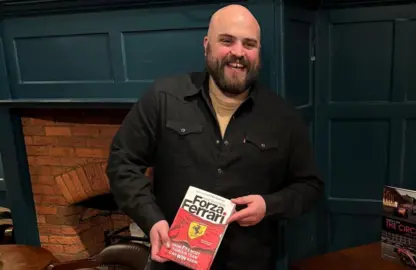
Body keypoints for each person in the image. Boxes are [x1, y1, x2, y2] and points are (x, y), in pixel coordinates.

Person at [106, 4, 324, 270]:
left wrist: (269, 205)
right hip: (175, 261)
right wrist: (152, 220)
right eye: (227, 40)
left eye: (249, 44)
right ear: (207, 44)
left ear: (258, 52)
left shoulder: (283, 116)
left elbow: (310, 186)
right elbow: (122, 162)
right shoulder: (163, 98)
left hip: (249, 262)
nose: (238, 53)